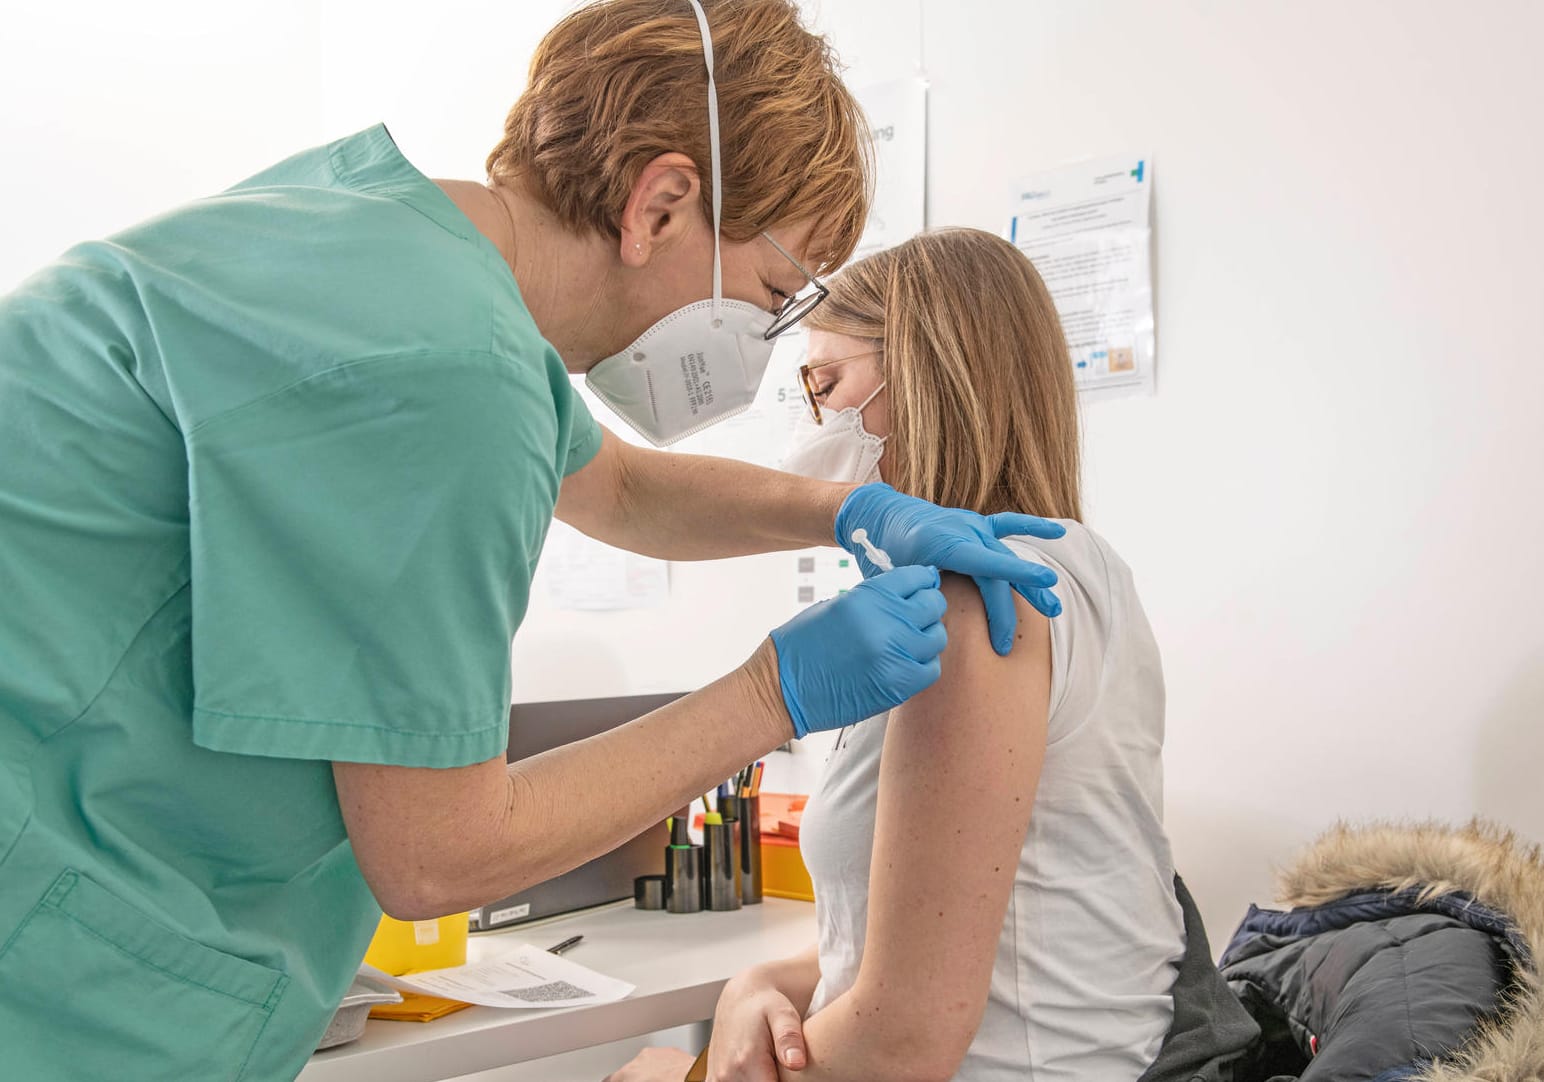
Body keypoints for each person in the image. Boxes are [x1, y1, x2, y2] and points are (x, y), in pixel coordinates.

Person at [0, 3, 1067, 1078]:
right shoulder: (449, 368)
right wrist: (768, 693)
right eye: (774, 291)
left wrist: (840, 511)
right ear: (661, 202)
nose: (766, 341)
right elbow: (437, 855)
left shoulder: (375, 239)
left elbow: (622, 489)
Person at [611, 229, 1187, 1082]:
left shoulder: (976, 600)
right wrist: (761, 979)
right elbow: (975, 935)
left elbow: (904, 1042)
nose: (816, 425)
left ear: (924, 377)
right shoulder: (1080, 565)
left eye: (827, 383)